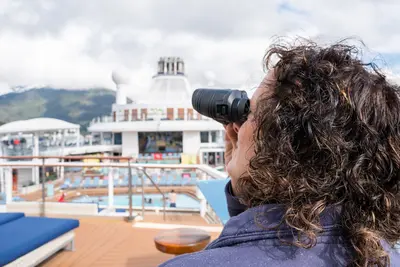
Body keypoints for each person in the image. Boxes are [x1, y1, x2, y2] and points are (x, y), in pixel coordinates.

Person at [160, 39, 400, 266]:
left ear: (281, 143)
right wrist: (246, 187)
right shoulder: (383, 253)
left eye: (251, 113)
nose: (238, 127)